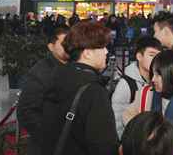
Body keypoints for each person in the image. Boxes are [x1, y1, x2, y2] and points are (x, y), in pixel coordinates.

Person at [41, 23, 118, 155]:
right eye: (102, 47)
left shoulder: (56, 76)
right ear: (87, 53)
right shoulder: (94, 91)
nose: (106, 52)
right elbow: (103, 145)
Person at [18, 27, 70, 155]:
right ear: (51, 47)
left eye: (71, 43)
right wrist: (49, 136)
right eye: (63, 44)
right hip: (46, 146)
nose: (69, 47)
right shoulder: (41, 71)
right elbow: (26, 111)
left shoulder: (74, 68)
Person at [112, 36, 162, 137]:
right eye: (151, 55)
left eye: (158, 56)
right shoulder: (126, 85)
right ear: (139, 56)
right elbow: (116, 121)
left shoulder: (158, 81)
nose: (155, 59)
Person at [123, 49, 173, 124]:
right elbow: (128, 115)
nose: (153, 79)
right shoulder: (146, 93)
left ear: (171, 73)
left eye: (158, 74)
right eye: (153, 74)